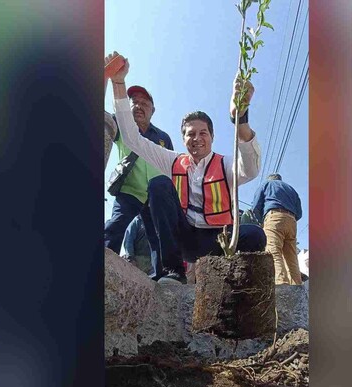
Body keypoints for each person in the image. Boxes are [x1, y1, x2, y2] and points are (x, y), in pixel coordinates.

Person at [105, 51, 266, 284]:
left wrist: (240, 118)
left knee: (255, 235)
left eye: (203, 133)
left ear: (212, 136)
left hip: (218, 239)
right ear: (183, 139)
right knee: (159, 184)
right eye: (191, 134)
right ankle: (173, 271)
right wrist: (118, 83)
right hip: (185, 240)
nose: (197, 139)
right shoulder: (174, 161)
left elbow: (250, 168)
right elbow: (132, 139)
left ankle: (235, 282)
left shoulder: (225, 164)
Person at [103, 78, 174, 255]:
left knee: (158, 238)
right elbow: (106, 122)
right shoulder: (121, 125)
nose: (139, 106)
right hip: (129, 189)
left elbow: (173, 167)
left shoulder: (163, 137)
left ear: (153, 110)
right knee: (115, 226)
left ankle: (162, 277)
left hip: (155, 197)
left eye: (144, 103)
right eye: (134, 102)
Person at [251, 173, 303, 285]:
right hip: (292, 220)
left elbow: (255, 206)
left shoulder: (266, 185)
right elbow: (299, 213)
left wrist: (261, 221)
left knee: (273, 251)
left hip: (274, 217)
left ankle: (281, 283)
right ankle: (297, 285)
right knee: (291, 256)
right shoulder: (291, 189)